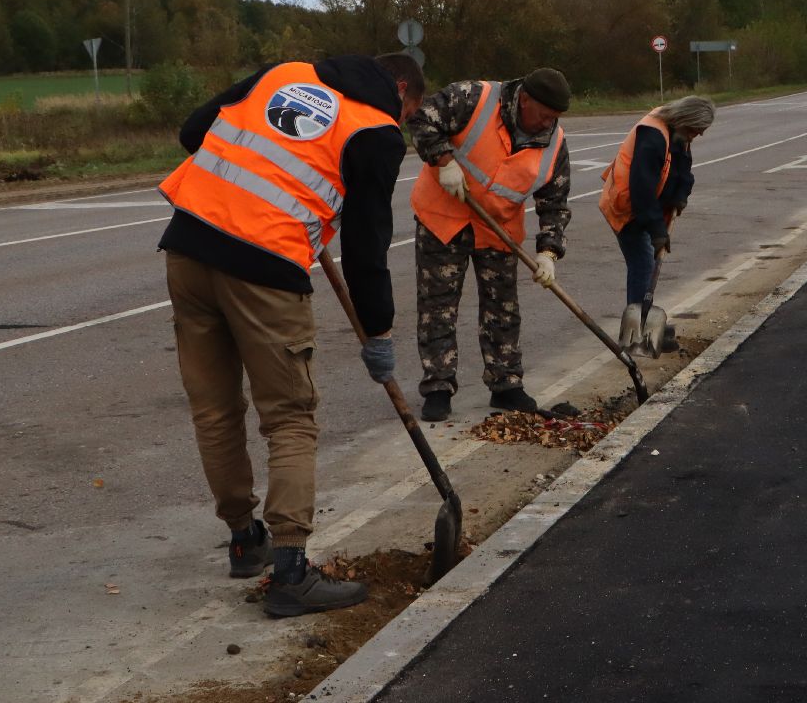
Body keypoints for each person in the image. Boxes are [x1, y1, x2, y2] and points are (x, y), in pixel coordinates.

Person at [158, 53, 424, 618]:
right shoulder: (376, 133)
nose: (403, 121)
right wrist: (378, 331)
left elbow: (193, 132)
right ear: (400, 89)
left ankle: (243, 539)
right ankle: (291, 572)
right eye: (409, 111)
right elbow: (366, 249)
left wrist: (261, 183)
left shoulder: (286, 73)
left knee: (215, 410)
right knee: (290, 417)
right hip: (265, 269)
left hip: (188, 245)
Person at [407, 68, 573, 421]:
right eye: (545, 115)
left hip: (498, 229)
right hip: (443, 218)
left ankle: (506, 384)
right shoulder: (473, 99)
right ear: (524, 100)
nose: (548, 123)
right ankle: (438, 386)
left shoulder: (554, 144)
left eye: (555, 117)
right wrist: (443, 159)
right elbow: (421, 119)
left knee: (503, 310)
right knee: (437, 306)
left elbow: (555, 203)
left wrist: (548, 252)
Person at [599, 96, 716, 351]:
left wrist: (681, 195)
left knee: (646, 263)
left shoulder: (679, 133)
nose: (699, 135)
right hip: (627, 206)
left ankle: (645, 325)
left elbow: (683, 168)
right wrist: (657, 232)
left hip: (646, 205)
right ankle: (637, 334)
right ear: (685, 120)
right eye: (697, 129)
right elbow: (641, 190)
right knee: (643, 263)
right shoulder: (652, 136)